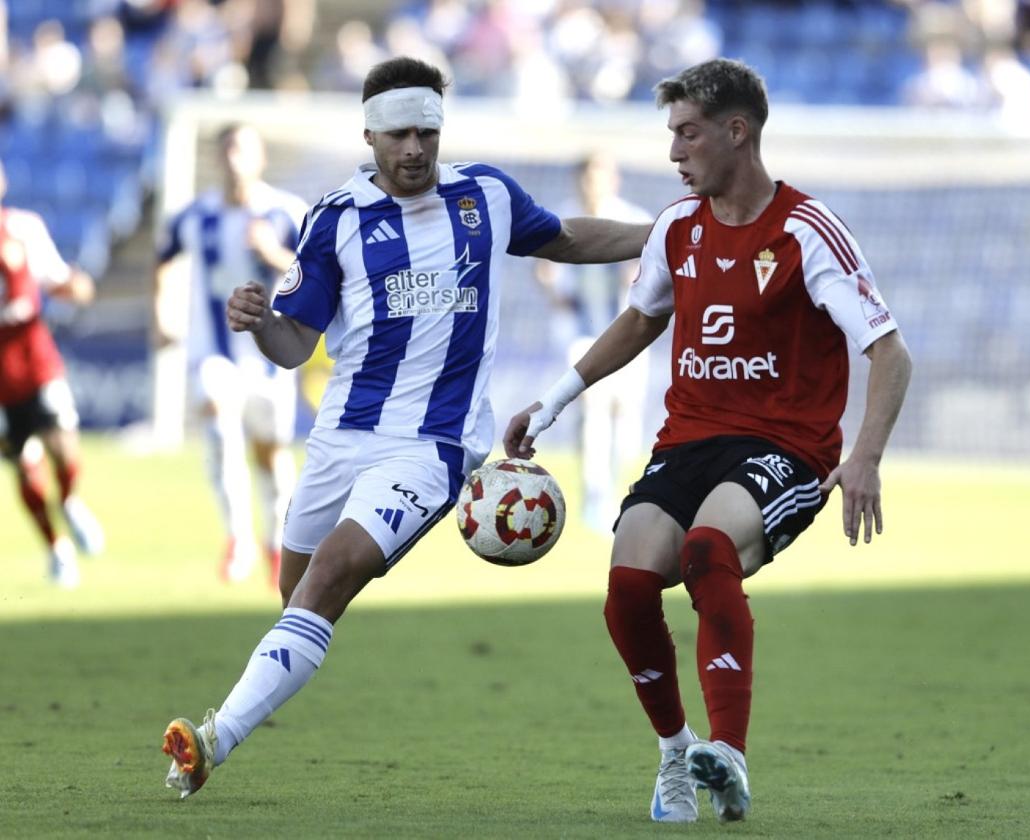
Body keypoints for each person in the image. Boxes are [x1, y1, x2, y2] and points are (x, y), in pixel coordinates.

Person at [159, 56, 651, 800]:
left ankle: (211, 740)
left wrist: (666, 231)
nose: (413, 148)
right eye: (397, 135)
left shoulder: (486, 195)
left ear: (440, 130)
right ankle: (257, 695)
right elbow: (297, 345)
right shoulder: (335, 218)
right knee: (298, 592)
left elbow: (568, 238)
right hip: (340, 436)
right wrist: (262, 326)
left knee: (327, 575)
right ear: (370, 134)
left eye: (426, 132)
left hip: (434, 446)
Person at [504, 58, 913, 824]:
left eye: (687, 134)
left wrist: (865, 456)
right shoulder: (677, 229)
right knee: (627, 588)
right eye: (671, 135)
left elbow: (889, 351)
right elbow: (639, 320)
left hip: (785, 445)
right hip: (686, 441)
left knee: (705, 553)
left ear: (737, 131)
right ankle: (674, 757)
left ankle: (729, 753)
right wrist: (554, 401)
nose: (673, 152)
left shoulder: (804, 231)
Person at [154, 123, 306, 585]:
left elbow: (314, 272)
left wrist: (272, 252)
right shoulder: (194, 215)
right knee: (218, 423)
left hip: (270, 355)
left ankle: (274, 543)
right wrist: (162, 315)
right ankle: (236, 537)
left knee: (270, 455)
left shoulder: (287, 212)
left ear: (260, 158)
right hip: (213, 351)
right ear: (218, 158)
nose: (235, 158)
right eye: (228, 150)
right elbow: (162, 259)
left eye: (244, 149)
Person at [0, 159, 105, 588]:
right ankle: (56, 550)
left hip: (34, 354)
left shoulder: (24, 227)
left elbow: (56, 278)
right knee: (23, 464)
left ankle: (72, 500)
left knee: (62, 443)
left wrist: (74, 286)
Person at [535, 152, 653, 531]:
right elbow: (543, 266)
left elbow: (652, 273)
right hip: (579, 331)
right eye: (588, 177)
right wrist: (551, 288)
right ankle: (595, 495)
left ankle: (616, 490)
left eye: (601, 176)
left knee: (625, 413)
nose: (594, 184)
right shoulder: (563, 219)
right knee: (593, 403)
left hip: (627, 330)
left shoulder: (633, 219)